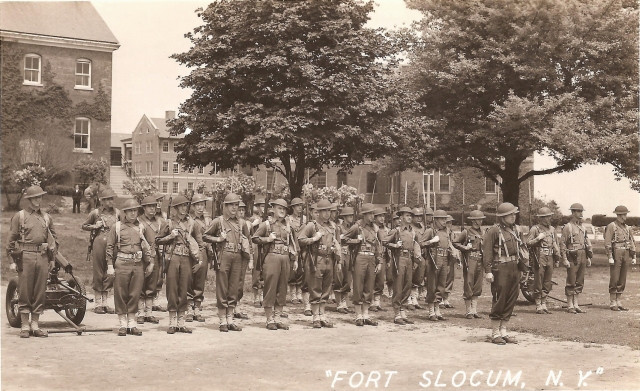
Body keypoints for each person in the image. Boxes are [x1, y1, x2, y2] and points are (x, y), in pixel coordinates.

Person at [7, 186, 57, 338]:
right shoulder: (20, 216)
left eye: (40, 197)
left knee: (39, 290)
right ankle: (24, 325)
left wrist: (52, 258)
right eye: (35, 198)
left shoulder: (47, 217)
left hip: (42, 256)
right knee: (25, 290)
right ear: (28, 199)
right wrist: (12, 261)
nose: (38, 200)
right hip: (25, 256)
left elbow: (53, 240)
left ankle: (35, 324)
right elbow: (11, 240)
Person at [156, 195, 204, 334]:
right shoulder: (169, 223)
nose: (184, 208)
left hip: (187, 259)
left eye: (185, 205)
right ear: (175, 208)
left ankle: (181, 322)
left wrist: (200, 261)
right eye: (181, 206)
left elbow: (200, 244)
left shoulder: (192, 224)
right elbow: (157, 240)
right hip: (173, 258)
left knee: (184, 289)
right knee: (172, 289)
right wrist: (170, 236)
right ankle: (172, 322)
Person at [203, 193, 251, 332]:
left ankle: (230, 319)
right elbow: (205, 236)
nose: (234, 208)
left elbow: (248, 239)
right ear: (225, 206)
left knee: (234, 288)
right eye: (231, 205)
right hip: (224, 255)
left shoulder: (241, 223)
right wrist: (218, 239)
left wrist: (248, 256)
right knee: (222, 288)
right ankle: (222, 320)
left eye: (236, 205)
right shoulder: (219, 221)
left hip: (238, 256)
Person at [106, 199, 152, 336]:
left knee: (135, 293)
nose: (133, 213)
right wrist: (109, 265)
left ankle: (132, 323)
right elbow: (109, 246)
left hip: (138, 263)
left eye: (135, 210)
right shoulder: (117, 227)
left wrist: (150, 262)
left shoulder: (142, 227)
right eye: (130, 210)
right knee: (120, 293)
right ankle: (122, 323)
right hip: (122, 262)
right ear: (125, 212)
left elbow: (150, 245)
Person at [252, 199, 299, 330]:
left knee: (282, 288)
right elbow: (254, 238)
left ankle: (278, 318)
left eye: (284, 209)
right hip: (271, 257)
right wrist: (268, 239)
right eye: (279, 208)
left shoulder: (288, 225)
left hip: (285, 258)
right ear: (273, 209)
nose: (282, 211)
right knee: (270, 287)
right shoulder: (266, 224)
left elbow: (293, 244)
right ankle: (269, 319)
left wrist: (295, 259)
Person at [483, 202, 525, 345]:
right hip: (500, 268)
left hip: (514, 267)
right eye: (510, 214)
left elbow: (521, 250)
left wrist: (523, 268)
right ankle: (495, 333)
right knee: (500, 298)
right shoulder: (494, 231)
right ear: (502, 217)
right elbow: (487, 252)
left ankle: (503, 331)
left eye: (514, 214)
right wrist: (488, 271)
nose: (514, 216)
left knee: (512, 298)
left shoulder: (516, 230)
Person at [297, 199, 342, 328]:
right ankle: (316, 316)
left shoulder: (333, 227)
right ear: (319, 212)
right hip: (316, 259)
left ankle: (323, 315)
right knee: (315, 287)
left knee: (326, 288)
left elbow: (338, 243)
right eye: (324, 211)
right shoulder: (312, 225)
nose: (327, 213)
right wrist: (314, 238)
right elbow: (300, 240)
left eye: (329, 210)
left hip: (329, 259)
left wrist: (338, 259)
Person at [82, 188, 119, 314]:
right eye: (107, 199)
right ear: (101, 201)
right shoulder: (95, 213)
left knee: (110, 271)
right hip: (99, 242)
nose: (110, 202)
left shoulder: (118, 213)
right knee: (98, 271)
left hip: (113, 244)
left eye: (111, 199)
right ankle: (98, 303)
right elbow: (84, 225)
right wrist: (95, 226)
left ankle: (105, 303)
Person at [382, 207, 422, 325]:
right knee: (398, 286)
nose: (410, 217)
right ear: (401, 218)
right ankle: (397, 314)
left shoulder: (413, 232)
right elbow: (384, 242)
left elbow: (417, 245)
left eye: (411, 215)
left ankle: (403, 310)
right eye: (407, 215)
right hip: (399, 258)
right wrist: (395, 245)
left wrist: (417, 259)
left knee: (407, 285)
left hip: (410, 259)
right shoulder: (396, 231)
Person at [343, 203, 381, 326]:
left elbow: (378, 246)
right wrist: (356, 241)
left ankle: (366, 315)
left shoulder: (375, 228)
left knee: (369, 287)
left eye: (373, 214)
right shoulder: (357, 227)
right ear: (364, 215)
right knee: (358, 286)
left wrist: (379, 261)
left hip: (371, 258)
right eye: (370, 214)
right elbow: (344, 239)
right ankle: (358, 315)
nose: (372, 216)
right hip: (360, 256)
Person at [559, 203, 592, 314]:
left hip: (582, 253)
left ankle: (576, 304)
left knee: (580, 280)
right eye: (578, 211)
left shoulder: (583, 227)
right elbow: (563, 244)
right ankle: (570, 305)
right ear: (572, 213)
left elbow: (586, 243)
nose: (580, 213)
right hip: (572, 255)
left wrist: (588, 257)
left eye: (581, 211)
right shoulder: (568, 227)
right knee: (571, 280)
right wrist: (564, 259)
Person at [526, 207, 561, 315]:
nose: (548, 219)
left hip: (550, 256)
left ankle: (544, 303)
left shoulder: (552, 229)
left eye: (549, 216)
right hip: (539, 256)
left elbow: (556, 244)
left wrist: (557, 257)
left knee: (547, 281)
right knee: (538, 281)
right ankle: (538, 305)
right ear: (540, 218)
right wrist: (538, 238)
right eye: (545, 217)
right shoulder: (535, 229)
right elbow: (528, 243)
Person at [453, 210, 487, 319]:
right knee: (469, 283)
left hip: (480, 260)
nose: (480, 221)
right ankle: (468, 311)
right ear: (473, 220)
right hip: (470, 259)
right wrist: (465, 248)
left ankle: (474, 310)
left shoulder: (483, 232)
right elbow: (455, 242)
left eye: (481, 219)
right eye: (479, 219)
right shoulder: (466, 232)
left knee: (478, 285)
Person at [136, 196, 164, 324]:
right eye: (149, 206)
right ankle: (140, 312)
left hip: (155, 255)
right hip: (142, 256)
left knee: (152, 283)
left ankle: (149, 313)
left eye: (154, 206)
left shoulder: (160, 221)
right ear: (144, 208)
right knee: (141, 283)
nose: (152, 209)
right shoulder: (138, 220)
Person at [604, 205, 637, 311]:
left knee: (622, 278)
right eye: (624, 214)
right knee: (615, 277)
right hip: (616, 252)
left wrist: (633, 255)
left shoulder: (627, 228)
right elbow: (607, 242)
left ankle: (619, 300)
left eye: (625, 214)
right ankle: (613, 302)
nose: (625, 216)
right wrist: (610, 256)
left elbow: (631, 242)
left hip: (626, 252)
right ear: (619, 215)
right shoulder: (611, 226)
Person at [419, 210, 450, 321]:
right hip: (434, 258)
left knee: (441, 285)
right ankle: (431, 311)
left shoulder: (446, 231)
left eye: (445, 219)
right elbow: (421, 244)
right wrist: (431, 241)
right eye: (442, 219)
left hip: (444, 258)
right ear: (435, 220)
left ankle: (437, 310)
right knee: (432, 284)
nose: (444, 221)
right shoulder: (430, 231)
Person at [187, 194, 213, 322]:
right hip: (190, 253)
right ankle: (188, 308)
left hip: (204, 252)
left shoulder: (208, 221)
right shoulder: (188, 219)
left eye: (202, 204)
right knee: (188, 279)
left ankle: (197, 307)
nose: (200, 207)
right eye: (197, 204)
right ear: (193, 206)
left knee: (200, 280)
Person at [233, 201, 253, 320]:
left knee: (239, 282)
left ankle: (237, 307)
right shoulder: (224, 222)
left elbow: (249, 241)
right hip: (229, 255)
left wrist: (251, 259)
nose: (240, 212)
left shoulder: (243, 223)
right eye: (238, 209)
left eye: (242, 210)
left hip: (241, 255)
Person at [335, 207, 356, 314]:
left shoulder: (353, 228)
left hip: (350, 254)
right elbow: (340, 240)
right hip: (341, 253)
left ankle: (344, 302)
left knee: (348, 280)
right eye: (349, 216)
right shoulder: (338, 228)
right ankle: (339, 304)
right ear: (344, 217)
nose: (351, 218)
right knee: (339, 278)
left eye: (352, 215)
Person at [286, 197, 306, 305]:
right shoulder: (288, 219)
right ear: (293, 207)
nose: (299, 208)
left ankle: (299, 292)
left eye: (301, 206)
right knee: (292, 271)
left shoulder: (305, 219)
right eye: (297, 206)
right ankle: (293, 294)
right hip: (293, 248)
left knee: (302, 271)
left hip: (303, 248)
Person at [370, 208, 389, 312]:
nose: (382, 218)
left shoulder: (387, 230)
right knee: (371, 280)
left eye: (383, 216)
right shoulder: (372, 228)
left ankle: (377, 302)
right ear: (375, 217)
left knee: (380, 281)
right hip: (372, 256)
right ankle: (370, 302)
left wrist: (389, 259)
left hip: (383, 256)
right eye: (379, 216)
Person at [408, 208, 427, 311]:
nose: (419, 218)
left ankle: (414, 299)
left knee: (418, 278)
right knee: (409, 278)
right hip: (411, 255)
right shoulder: (410, 228)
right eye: (417, 216)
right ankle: (408, 300)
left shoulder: (423, 228)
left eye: (420, 216)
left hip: (421, 256)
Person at [151, 193, 168, 312]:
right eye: (157, 201)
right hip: (151, 248)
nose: (159, 204)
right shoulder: (149, 217)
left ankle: (155, 300)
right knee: (150, 274)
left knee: (160, 275)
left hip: (162, 248)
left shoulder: (164, 216)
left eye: (161, 201)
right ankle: (147, 302)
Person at [250, 198, 266, 308]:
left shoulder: (269, 219)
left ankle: (263, 296)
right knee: (256, 272)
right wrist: (252, 225)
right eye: (261, 206)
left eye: (265, 206)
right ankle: (256, 296)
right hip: (256, 247)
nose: (263, 208)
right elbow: (249, 234)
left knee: (265, 272)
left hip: (266, 247)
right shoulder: (252, 219)